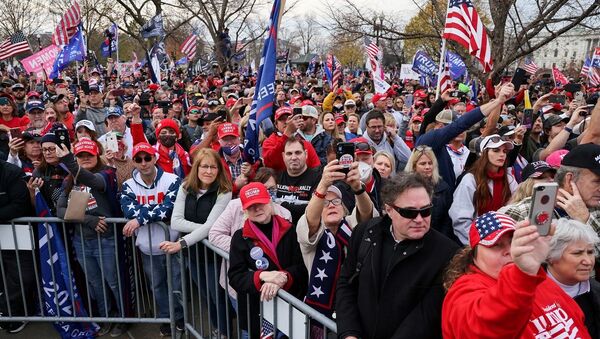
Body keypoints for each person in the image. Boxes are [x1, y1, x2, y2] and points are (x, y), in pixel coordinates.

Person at [336, 173, 460, 338]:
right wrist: (349, 333)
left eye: (426, 211)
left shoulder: (448, 254)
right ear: (388, 210)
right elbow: (346, 284)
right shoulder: (365, 232)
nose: (419, 219)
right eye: (409, 213)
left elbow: (426, 315)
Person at [442, 212, 591, 338]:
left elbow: (577, 319)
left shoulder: (537, 279)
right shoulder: (464, 290)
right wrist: (522, 275)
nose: (509, 250)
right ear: (474, 255)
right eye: (496, 245)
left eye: (513, 241)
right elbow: (482, 330)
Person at [54, 139, 125, 336]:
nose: (85, 159)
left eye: (89, 155)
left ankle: (123, 318)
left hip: (106, 240)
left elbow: (92, 181)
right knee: (96, 283)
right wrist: (88, 219)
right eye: (80, 156)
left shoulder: (106, 174)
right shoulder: (69, 180)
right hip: (82, 241)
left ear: (97, 156)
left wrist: (69, 161)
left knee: (113, 282)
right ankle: (106, 318)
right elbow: (59, 210)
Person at [159, 148, 233, 337]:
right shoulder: (185, 187)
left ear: (219, 169)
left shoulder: (224, 192)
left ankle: (224, 332)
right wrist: (205, 229)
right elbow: (176, 221)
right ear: (196, 168)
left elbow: (210, 227)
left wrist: (181, 242)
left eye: (213, 167)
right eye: (204, 166)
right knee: (206, 296)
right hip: (193, 254)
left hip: (213, 257)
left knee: (218, 297)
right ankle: (217, 328)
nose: (208, 171)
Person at [297, 160, 377, 329]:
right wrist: (324, 184)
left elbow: (367, 216)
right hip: (321, 312)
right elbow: (310, 222)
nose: (331, 205)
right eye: (324, 203)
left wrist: (357, 187)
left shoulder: (351, 226)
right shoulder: (315, 233)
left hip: (356, 306)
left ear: (343, 207)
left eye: (336, 201)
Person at [119, 142, 184, 336]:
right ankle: (166, 318)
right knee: (157, 286)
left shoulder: (173, 179)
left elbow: (169, 208)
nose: (144, 163)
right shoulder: (128, 185)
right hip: (147, 248)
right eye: (138, 159)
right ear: (134, 162)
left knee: (177, 285)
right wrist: (151, 214)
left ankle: (180, 318)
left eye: (147, 158)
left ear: (155, 158)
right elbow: (127, 209)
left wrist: (140, 218)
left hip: (171, 245)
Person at [228, 182, 308, 338]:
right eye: (251, 206)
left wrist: (282, 277)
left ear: (270, 202)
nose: (257, 209)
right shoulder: (240, 237)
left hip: (290, 309)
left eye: (261, 203)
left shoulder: (290, 229)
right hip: (256, 312)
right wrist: (262, 277)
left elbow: (301, 268)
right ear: (245, 210)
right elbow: (235, 277)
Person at [209, 168, 292, 310]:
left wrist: (279, 277)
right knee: (248, 329)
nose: (258, 208)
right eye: (264, 188)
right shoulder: (235, 206)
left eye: (272, 189)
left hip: (275, 289)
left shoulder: (285, 215)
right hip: (243, 288)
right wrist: (246, 252)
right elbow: (215, 234)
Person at [499, 143, 600, 247]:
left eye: (552, 176)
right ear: (569, 180)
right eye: (597, 181)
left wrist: (586, 221)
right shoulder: (522, 212)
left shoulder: (596, 210)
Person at [449, 134, 518, 245]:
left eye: (504, 151)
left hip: (505, 242)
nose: (502, 155)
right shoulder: (470, 180)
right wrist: (477, 245)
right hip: (477, 243)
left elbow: (516, 211)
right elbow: (461, 220)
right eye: (496, 150)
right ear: (483, 153)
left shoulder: (509, 180)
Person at [547, 218, 600, 338]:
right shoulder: (529, 293)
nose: (588, 261)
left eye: (590, 252)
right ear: (551, 256)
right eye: (577, 253)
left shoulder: (596, 291)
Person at [0, 159, 34, 334]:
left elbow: (20, 205)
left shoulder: (11, 172)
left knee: (21, 276)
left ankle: (12, 314)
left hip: (17, 234)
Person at [405, 145, 456, 243]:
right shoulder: (405, 188)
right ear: (414, 166)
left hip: (438, 240)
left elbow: (448, 218)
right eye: (423, 164)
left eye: (430, 163)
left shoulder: (443, 187)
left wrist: (441, 239)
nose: (427, 167)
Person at [276, 138, 322, 223]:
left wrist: (280, 205)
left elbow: (313, 210)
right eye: (289, 154)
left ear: (306, 154)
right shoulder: (275, 178)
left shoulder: (318, 179)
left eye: (298, 153)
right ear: (283, 156)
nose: (293, 157)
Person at [262, 106, 320, 173]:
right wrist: (287, 133)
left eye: (289, 118)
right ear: (276, 125)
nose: (286, 122)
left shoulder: (304, 142)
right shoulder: (269, 142)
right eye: (282, 119)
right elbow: (270, 163)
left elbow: (316, 169)